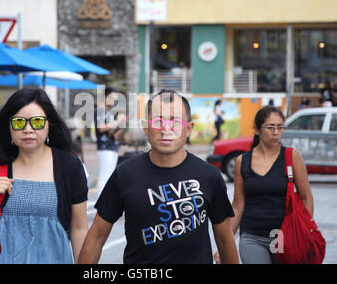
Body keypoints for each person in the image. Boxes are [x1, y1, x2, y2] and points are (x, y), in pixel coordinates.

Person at [78, 89, 239, 264]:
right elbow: (96, 236)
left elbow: (224, 239)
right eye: (158, 121)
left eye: (175, 121)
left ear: (188, 128)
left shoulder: (209, 176)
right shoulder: (125, 174)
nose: (166, 128)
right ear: (145, 128)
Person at [0, 88, 88, 264]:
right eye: (19, 122)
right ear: (9, 126)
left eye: (37, 122)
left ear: (49, 124)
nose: (28, 129)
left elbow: (79, 228)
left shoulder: (69, 166)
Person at [214, 105, 314, 264]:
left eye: (280, 127)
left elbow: (306, 197)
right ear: (258, 129)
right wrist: (224, 245)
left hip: (284, 236)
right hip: (251, 236)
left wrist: (304, 232)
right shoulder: (243, 161)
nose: (276, 132)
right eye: (270, 127)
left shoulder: (292, 156)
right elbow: (238, 206)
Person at [94, 87, 126, 195]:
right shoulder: (99, 110)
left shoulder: (110, 112)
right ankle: (100, 200)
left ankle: (106, 201)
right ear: (106, 97)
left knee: (110, 175)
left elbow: (114, 133)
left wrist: (121, 124)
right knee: (105, 175)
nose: (114, 101)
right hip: (104, 147)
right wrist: (117, 122)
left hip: (113, 146)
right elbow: (101, 128)